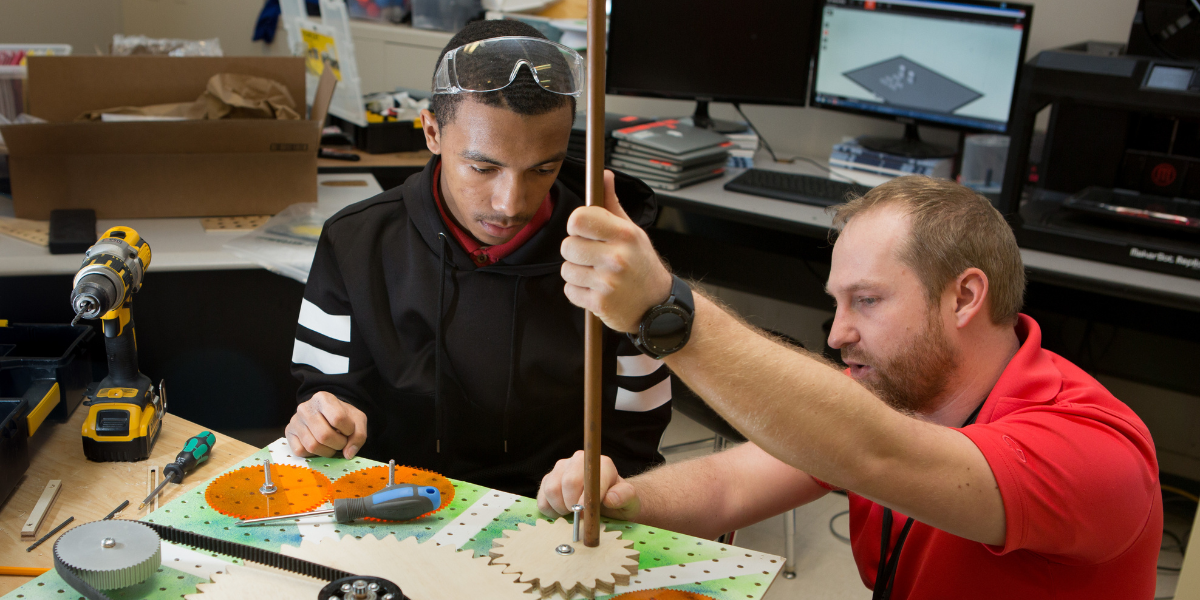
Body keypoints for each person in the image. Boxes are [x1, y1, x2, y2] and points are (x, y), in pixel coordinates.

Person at [539, 175, 1161, 598]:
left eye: (866, 300)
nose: (837, 334)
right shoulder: (900, 393)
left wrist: (663, 311)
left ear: (966, 297)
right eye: (837, 304)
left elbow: (875, 451)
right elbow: (730, 483)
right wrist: (619, 499)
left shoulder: (1094, 453)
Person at [284, 20, 674, 498]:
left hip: (549, 518)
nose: (511, 203)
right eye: (483, 167)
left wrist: (607, 470)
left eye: (543, 169)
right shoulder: (355, 242)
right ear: (431, 131)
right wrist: (325, 417)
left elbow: (638, 433)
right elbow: (325, 389)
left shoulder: (616, 259)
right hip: (395, 507)